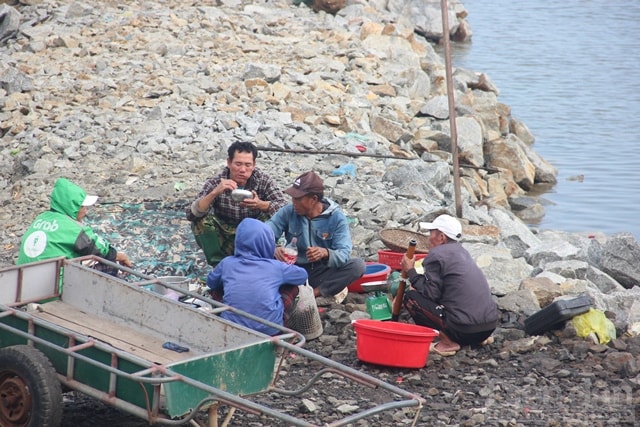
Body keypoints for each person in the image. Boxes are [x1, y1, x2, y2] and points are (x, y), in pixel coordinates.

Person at [400, 214, 499, 357]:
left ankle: (447, 343)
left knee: (411, 298)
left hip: (464, 329)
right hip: (488, 327)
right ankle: (479, 339)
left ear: (441, 237)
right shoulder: (462, 252)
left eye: (431, 233)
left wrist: (411, 271)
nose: (429, 238)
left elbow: (431, 294)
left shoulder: (436, 255)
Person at [267, 171, 365, 304]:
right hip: (292, 267)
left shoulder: (336, 218)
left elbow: (344, 253)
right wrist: (275, 249)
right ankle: (281, 289)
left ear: (313, 199)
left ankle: (313, 294)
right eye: (293, 198)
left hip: (319, 272)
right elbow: (265, 233)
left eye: (298, 199)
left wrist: (325, 253)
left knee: (357, 266)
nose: (293, 202)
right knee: (259, 251)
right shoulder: (289, 211)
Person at [185, 141, 288, 266]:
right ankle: (220, 266)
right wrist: (214, 193)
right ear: (229, 162)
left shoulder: (262, 180)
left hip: (253, 236)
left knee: (269, 215)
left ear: (254, 165)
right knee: (201, 220)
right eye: (238, 164)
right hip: (226, 235)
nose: (242, 170)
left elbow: (285, 209)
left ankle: (262, 261)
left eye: (248, 165)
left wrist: (260, 204)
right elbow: (191, 214)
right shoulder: (217, 182)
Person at [206, 218, 308, 336]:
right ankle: (281, 321)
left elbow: (211, 282)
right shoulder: (276, 267)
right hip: (270, 330)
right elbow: (302, 276)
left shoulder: (227, 263)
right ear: (267, 243)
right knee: (291, 286)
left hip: (231, 327)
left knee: (218, 288)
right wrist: (285, 266)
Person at [17, 177, 132, 275]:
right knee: (109, 264)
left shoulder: (41, 218)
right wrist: (122, 257)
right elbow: (102, 251)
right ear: (73, 207)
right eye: (83, 207)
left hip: (24, 284)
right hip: (50, 288)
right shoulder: (73, 229)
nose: (85, 211)